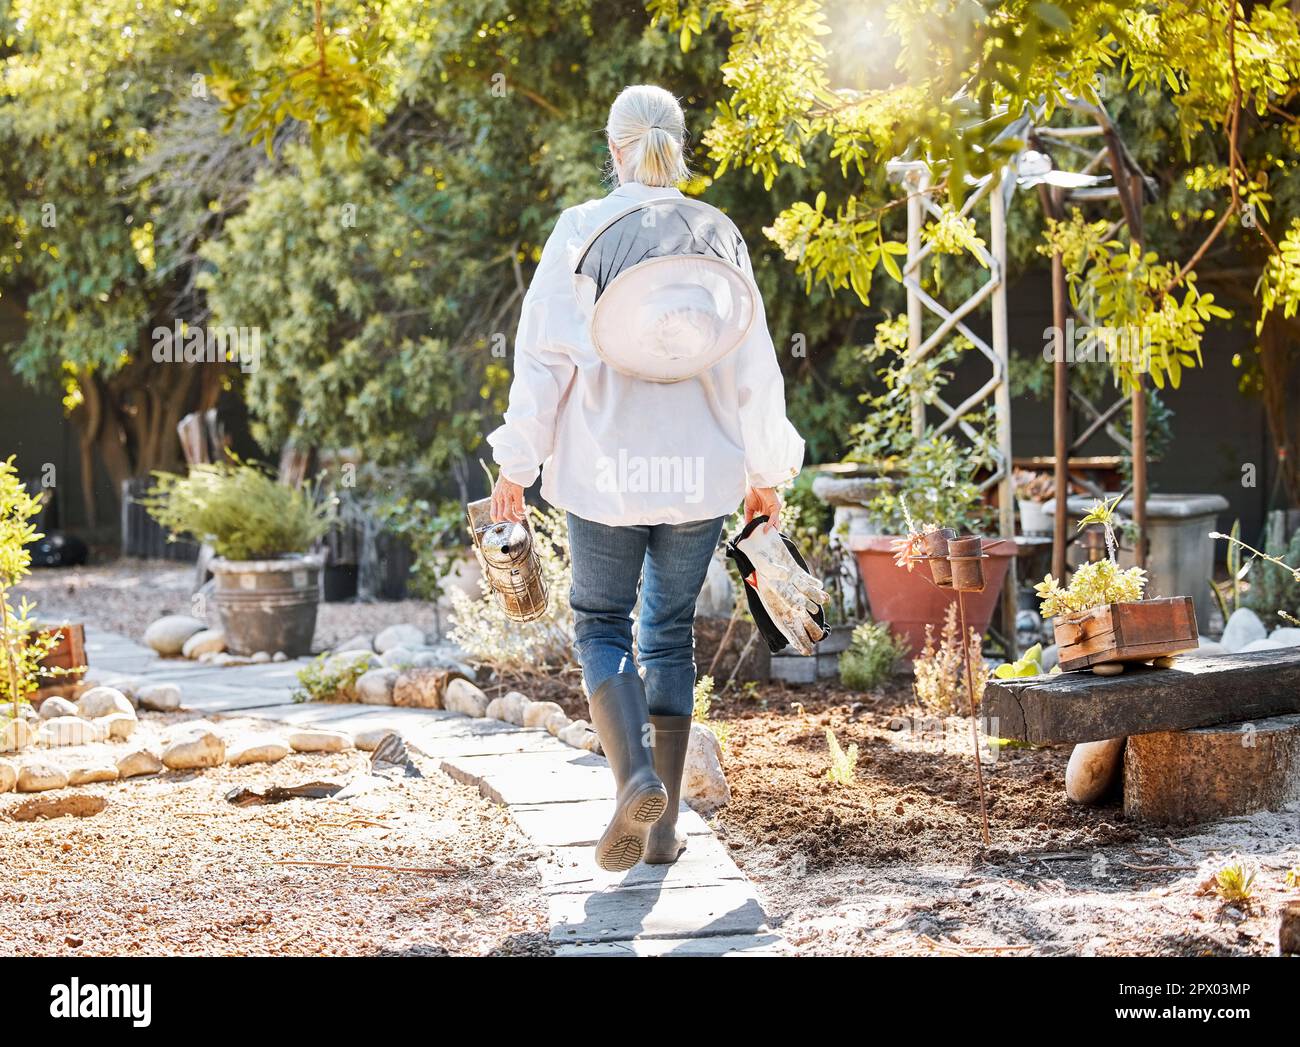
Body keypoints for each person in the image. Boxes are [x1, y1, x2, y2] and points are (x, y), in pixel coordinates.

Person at [487, 84, 805, 871]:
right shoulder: (716, 234)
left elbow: (542, 361)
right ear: (676, 144)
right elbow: (754, 367)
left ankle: (632, 778)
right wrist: (767, 471)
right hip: (700, 474)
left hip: (606, 469)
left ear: (614, 145)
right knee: (667, 633)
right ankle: (662, 831)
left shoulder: (579, 231)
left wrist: (515, 465)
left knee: (600, 621)